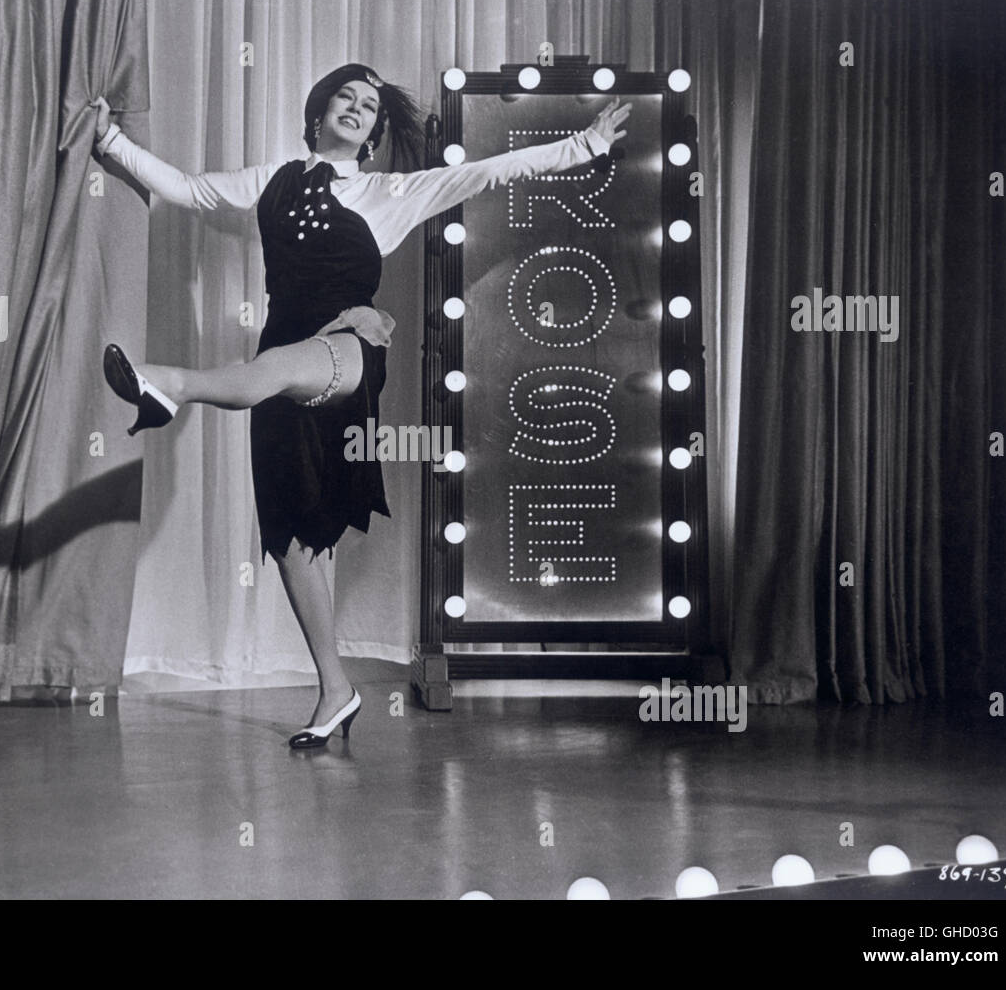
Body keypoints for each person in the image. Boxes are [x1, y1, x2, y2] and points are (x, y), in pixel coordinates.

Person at [92, 64, 630, 748]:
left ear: (375, 130)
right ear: (318, 114)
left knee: (264, 374)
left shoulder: (390, 193)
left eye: (369, 104)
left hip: (347, 344)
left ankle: (168, 382)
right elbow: (191, 190)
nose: (355, 107)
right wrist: (110, 143)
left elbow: (491, 171)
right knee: (292, 539)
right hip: (282, 343)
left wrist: (581, 147)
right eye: (344, 96)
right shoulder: (274, 179)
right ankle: (335, 691)